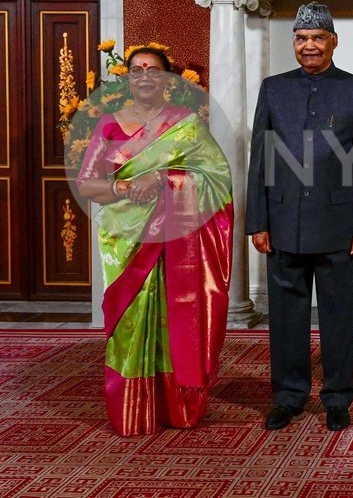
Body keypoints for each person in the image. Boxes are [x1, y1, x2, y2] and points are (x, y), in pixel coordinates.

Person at [76, 47, 234, 437]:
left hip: (177, 241)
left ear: (167, 79)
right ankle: (133, 410)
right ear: (126, 78)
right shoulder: (108, 125)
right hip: (125, 240)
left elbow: (217, 178)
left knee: (173, 320)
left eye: (153, 70)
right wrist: (124, 186)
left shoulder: (185, 124)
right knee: (130, 324)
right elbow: (86, 184)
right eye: (136, 70)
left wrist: (164, 179)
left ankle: (177, 406)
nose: (145, 76)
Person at [246, 2, 353, 433]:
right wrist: (258, 220)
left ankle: (338, 397)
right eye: (302, 38)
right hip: (283, 222)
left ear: (333, 41)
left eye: (318, 38)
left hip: (340, 226)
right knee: (286, 318)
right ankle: (288, 395)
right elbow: (260, 157)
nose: (309, 46)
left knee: (339, 317)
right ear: (294, 42)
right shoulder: (273, 89)